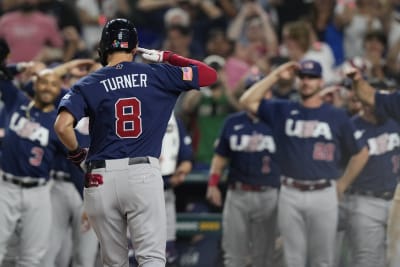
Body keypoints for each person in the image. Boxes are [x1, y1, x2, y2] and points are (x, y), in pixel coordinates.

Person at [53, 18, 217, 267]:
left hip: (100, 177)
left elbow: (62, 127)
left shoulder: (88, 83)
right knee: (151, 258)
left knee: (113, 262)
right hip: (142, 173)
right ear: (135, 47)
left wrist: (78, 156)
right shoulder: (159, 74)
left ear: (103, 46)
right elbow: (208, 74)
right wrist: (166, 56)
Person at [239, 59, 369, 267]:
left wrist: (342, 184)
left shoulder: (336, 115)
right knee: (293, 260)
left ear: (321, 82)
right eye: (303, 77)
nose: (307, 82)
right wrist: (276, 74)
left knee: (323, 261)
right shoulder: (282, 109)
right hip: (290, 191)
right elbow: (246, 101)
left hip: (323, 191)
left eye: (312, 77)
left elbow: (361, 152)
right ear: (297, 81)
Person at [206, 87, 280, 266]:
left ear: (269, 95)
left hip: (269, 194)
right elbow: (220, 156)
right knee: (233, 255)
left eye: (263, 92)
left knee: (264, 257)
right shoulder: (232, 122)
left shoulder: (278, 122)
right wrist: (213, 184)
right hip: (237, 193)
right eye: (252, 91)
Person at [0, 67, 64, 266]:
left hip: (39, 192)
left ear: (58, 91)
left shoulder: (59, 123)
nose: (48, 88)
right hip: (5, 187)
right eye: (44, 82)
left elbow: (73, 161)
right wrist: (20, 67)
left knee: (32, 256)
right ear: (35, 84)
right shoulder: (17, 100)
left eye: (54, 85)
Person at [346, 66, 400, 267]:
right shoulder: (352, 125)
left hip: (392, 196)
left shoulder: (393, 122)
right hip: (366, 199)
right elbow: (369, 95)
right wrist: (358, 80)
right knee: (368, 261)